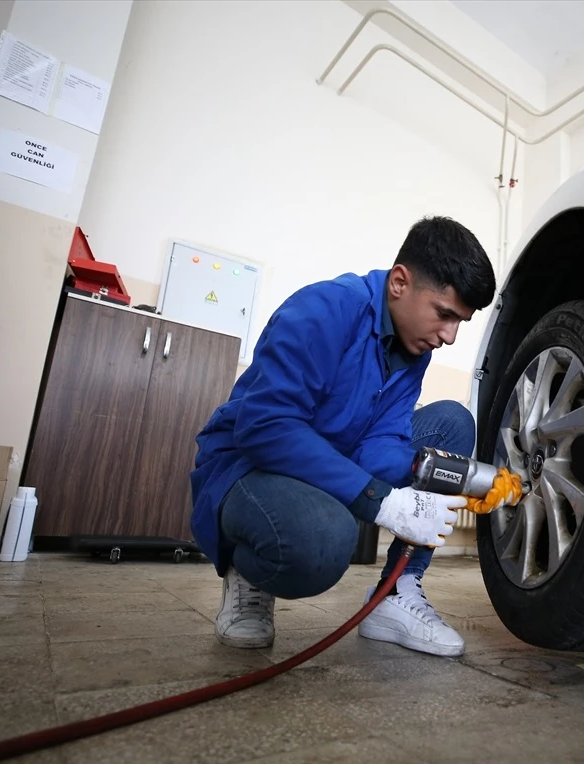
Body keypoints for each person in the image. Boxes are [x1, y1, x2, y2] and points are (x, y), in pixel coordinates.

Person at [189, 216, 496, 657]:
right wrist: (385, 501)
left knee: (452, 424)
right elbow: (266, 428)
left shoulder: (412, 348)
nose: (449, 336)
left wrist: (430, 473)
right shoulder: (324, 308)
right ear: (399, 283)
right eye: (444, 314)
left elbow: (380, 444)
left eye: (460, 322)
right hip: (251, 467)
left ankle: (395, 594)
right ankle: (248, 571)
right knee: (322, 540)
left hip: (335, 458)